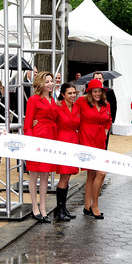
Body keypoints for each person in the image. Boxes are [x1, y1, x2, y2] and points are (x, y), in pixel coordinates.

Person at [23, 71, 58, 223]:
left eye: (51, 81)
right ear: (40, 83)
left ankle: (43, 208)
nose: (50, 84)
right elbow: (27, 124)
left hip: (51, 138)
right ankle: (34, 208)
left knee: (45, 175)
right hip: (37, 139)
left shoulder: (53, 100)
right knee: (34, 174)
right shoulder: (33, 99)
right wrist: (31, 143)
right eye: (47, 81)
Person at [77, 79, 112, 219]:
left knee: (93, 174)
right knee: (100, 173)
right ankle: (94, 205)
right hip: (86, 140)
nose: (97, 94)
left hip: (99, 141)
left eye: (100, 91)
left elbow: (109, 120)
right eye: (95, 91)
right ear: (89, 92)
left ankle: (87, 206)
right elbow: (67, 107)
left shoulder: (106, 104)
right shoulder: (81, 102)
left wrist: (106, 131)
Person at [54, 83, 80, 221]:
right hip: (62, 142)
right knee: (64, 176)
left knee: (68, 176)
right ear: (63, 94)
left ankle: (63, 207)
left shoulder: (77, 107)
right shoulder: (58, 107)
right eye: (69, 93)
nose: (72, 95)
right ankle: (59, 209)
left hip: (73, 142)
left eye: (74, 93)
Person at [93, 71, 118, 149]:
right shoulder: (90, 91)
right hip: (93, 121)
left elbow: (114, 106)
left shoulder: (109, 91)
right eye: (96, 78)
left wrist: (112, 120)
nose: (98, 80)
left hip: (105, 121)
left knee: (104, 141)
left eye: (99, 78)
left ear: (103, 79)